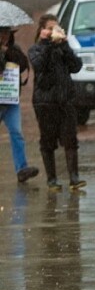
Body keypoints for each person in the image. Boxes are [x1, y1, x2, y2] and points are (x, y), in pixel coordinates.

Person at [28, 14, 86, 191]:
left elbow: (76, 66)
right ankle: (52, 179)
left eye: (56, 27)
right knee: (48, 140)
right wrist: (48, 44)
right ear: (42, 30)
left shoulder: (62, 48)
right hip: (45, 102)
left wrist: (65, 45)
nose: (54, 31)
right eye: (50, 28)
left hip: (65, 100)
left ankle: (74, 178)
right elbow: (39, 65)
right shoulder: (36, 49)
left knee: (70, 139)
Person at [0, 26, 40, 183]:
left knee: (16, 133)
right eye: (2, 33)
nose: (4, 36)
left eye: (7, 34)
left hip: (10, 99)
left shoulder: (13, 48)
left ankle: (22, 168)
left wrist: (8, 51)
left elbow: (23, 64)